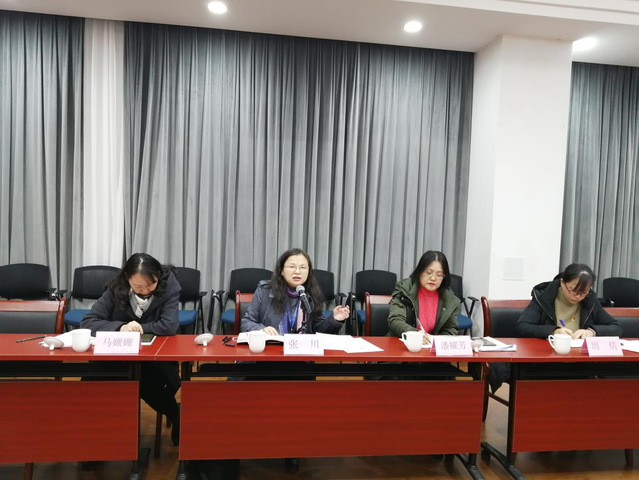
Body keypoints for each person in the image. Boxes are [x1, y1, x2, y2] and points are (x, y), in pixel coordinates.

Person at [80, 253, 182, 445]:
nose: (145, 291)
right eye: (138, 287)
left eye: (151, 285)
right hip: (116, 357)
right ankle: (94, 437)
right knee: (91, 383)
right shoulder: (116, 288)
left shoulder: (169, 286)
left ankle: (176, 413)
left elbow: (169, 325)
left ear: (158, 276)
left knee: (143, 381)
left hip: (154, 359)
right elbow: (88, 322)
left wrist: (140, 328)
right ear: (127, 279)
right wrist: (121, 327)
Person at [241, 248, 350, 334]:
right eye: (292, 267)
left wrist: (334, 319)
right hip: (271, 348)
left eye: (303, 267)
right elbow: (246, 322)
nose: (297, 272)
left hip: (301, 350)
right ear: (281, 271)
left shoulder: (312, 294)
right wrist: (262, 330)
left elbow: (318, 330)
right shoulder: (265, 290)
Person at [516, 263, 620, 338]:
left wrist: (592, 332)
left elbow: (616, 327)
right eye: (573, 290)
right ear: (562, 282)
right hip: (549, 353)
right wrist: (554, 331)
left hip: (579, 354)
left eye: (583, 292)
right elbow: (523, 326)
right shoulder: (543, 297)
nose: (578, 296)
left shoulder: (590, 299)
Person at [388, 250, 460, 340]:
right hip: (400, 342)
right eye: (429, 272)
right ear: (420, 272)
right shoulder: (405, 290)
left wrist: (435, 342)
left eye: (439, 275)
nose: (433, 278)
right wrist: (416, 335)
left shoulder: (449, 298)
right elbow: (395, 320)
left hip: (429, 345)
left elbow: (450, 329)